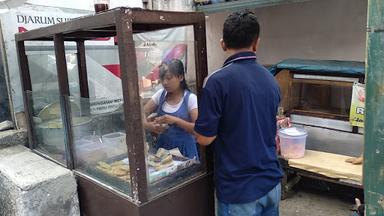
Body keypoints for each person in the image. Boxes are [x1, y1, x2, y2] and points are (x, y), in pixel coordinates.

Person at [194, 10, 283, 216]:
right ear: (256, 43)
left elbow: (204, 138)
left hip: (239, 192)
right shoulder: (271, 79)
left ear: (223, 43)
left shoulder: (216, 82)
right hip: (271, 183)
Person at [143, 59, 199, 159]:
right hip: (163, 150)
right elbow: (143, 112)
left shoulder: (190, 99)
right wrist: (149, 126)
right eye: (162, 78)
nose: (165, 82)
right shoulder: (160, 95)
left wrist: (175, 120)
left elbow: (198, 129)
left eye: (169, 78)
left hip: (185, 151)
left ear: (180, 77)